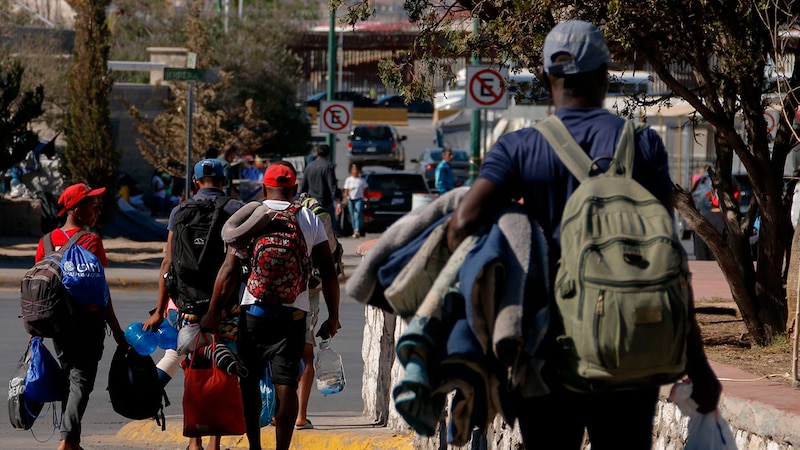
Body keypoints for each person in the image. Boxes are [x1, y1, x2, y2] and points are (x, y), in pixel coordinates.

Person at [445, 20, 721, 449]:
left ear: (547, 77)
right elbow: (666, 259)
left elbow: (462, 222)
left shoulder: (519, 149)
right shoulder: (642, 145)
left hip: (547, 356)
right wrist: (698, 365)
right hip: (628, 348)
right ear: (604, 73)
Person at [203, 162, 340, 450]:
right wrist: (333, 316)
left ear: (264, 188)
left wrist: (213, 312)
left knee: (249, 382)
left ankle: (255, 447)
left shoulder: (252, 216)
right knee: (286, 384)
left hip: (254, 312)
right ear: (294, 189)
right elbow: (328, 272)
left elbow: (228, 270)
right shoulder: (307, 218)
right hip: (293, 314)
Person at [143, 158, 245, 450]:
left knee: (192, 371)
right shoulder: (235, 209)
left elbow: (168, 262)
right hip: (226, 307)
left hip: (187, 306)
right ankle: (215, 441)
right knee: (223, 371)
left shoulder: (180, 210)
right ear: (224, 181)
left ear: (195, 181)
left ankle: (196, 441)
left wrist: (161, 310)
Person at [34, 183, 127, 450]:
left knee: (69, 378)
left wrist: (36, 329)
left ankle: (72, 441)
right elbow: (102, 292)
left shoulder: (46, 241)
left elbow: (40, 285)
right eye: (91, 205)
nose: (96, 209)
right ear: (76, 209)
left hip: (58, 323)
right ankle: (66, 441)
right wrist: (117, 330)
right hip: (88, 322)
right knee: (81, 381)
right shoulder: (91, 241)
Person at [300, 144, 341, 235]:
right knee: (329, 230)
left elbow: (304, 187)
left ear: (317, 153)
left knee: (312, 230)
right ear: (328, 154)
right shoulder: (328, 166)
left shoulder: (309, 166)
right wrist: (338, 200)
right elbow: (332, 186)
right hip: (326, 202)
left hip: (312, 203)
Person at [342, 163, 368, 238]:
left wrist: (367, 199)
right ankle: (354, 229)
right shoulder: (349, 180)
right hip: (351, 199)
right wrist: (346, 199)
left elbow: (366, 190)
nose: (355, 171)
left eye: (356, 169)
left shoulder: (361, 180)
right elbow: (346, 190)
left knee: (358, 214)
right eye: (353, 169)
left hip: (359, 199)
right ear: (351, 171)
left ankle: (357, 230)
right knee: (352, 215)